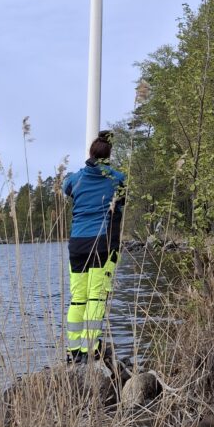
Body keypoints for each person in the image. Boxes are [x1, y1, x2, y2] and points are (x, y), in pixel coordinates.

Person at [63, 131, 126, 363]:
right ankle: (92, 349)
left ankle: (74, 351)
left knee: (78, 297)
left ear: (90, 154)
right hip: (101, 243)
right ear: (108, 156)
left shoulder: (76, 178)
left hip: (77, 244)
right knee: (96, 297)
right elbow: (123, 191)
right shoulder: (115, 178)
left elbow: (65, 187)